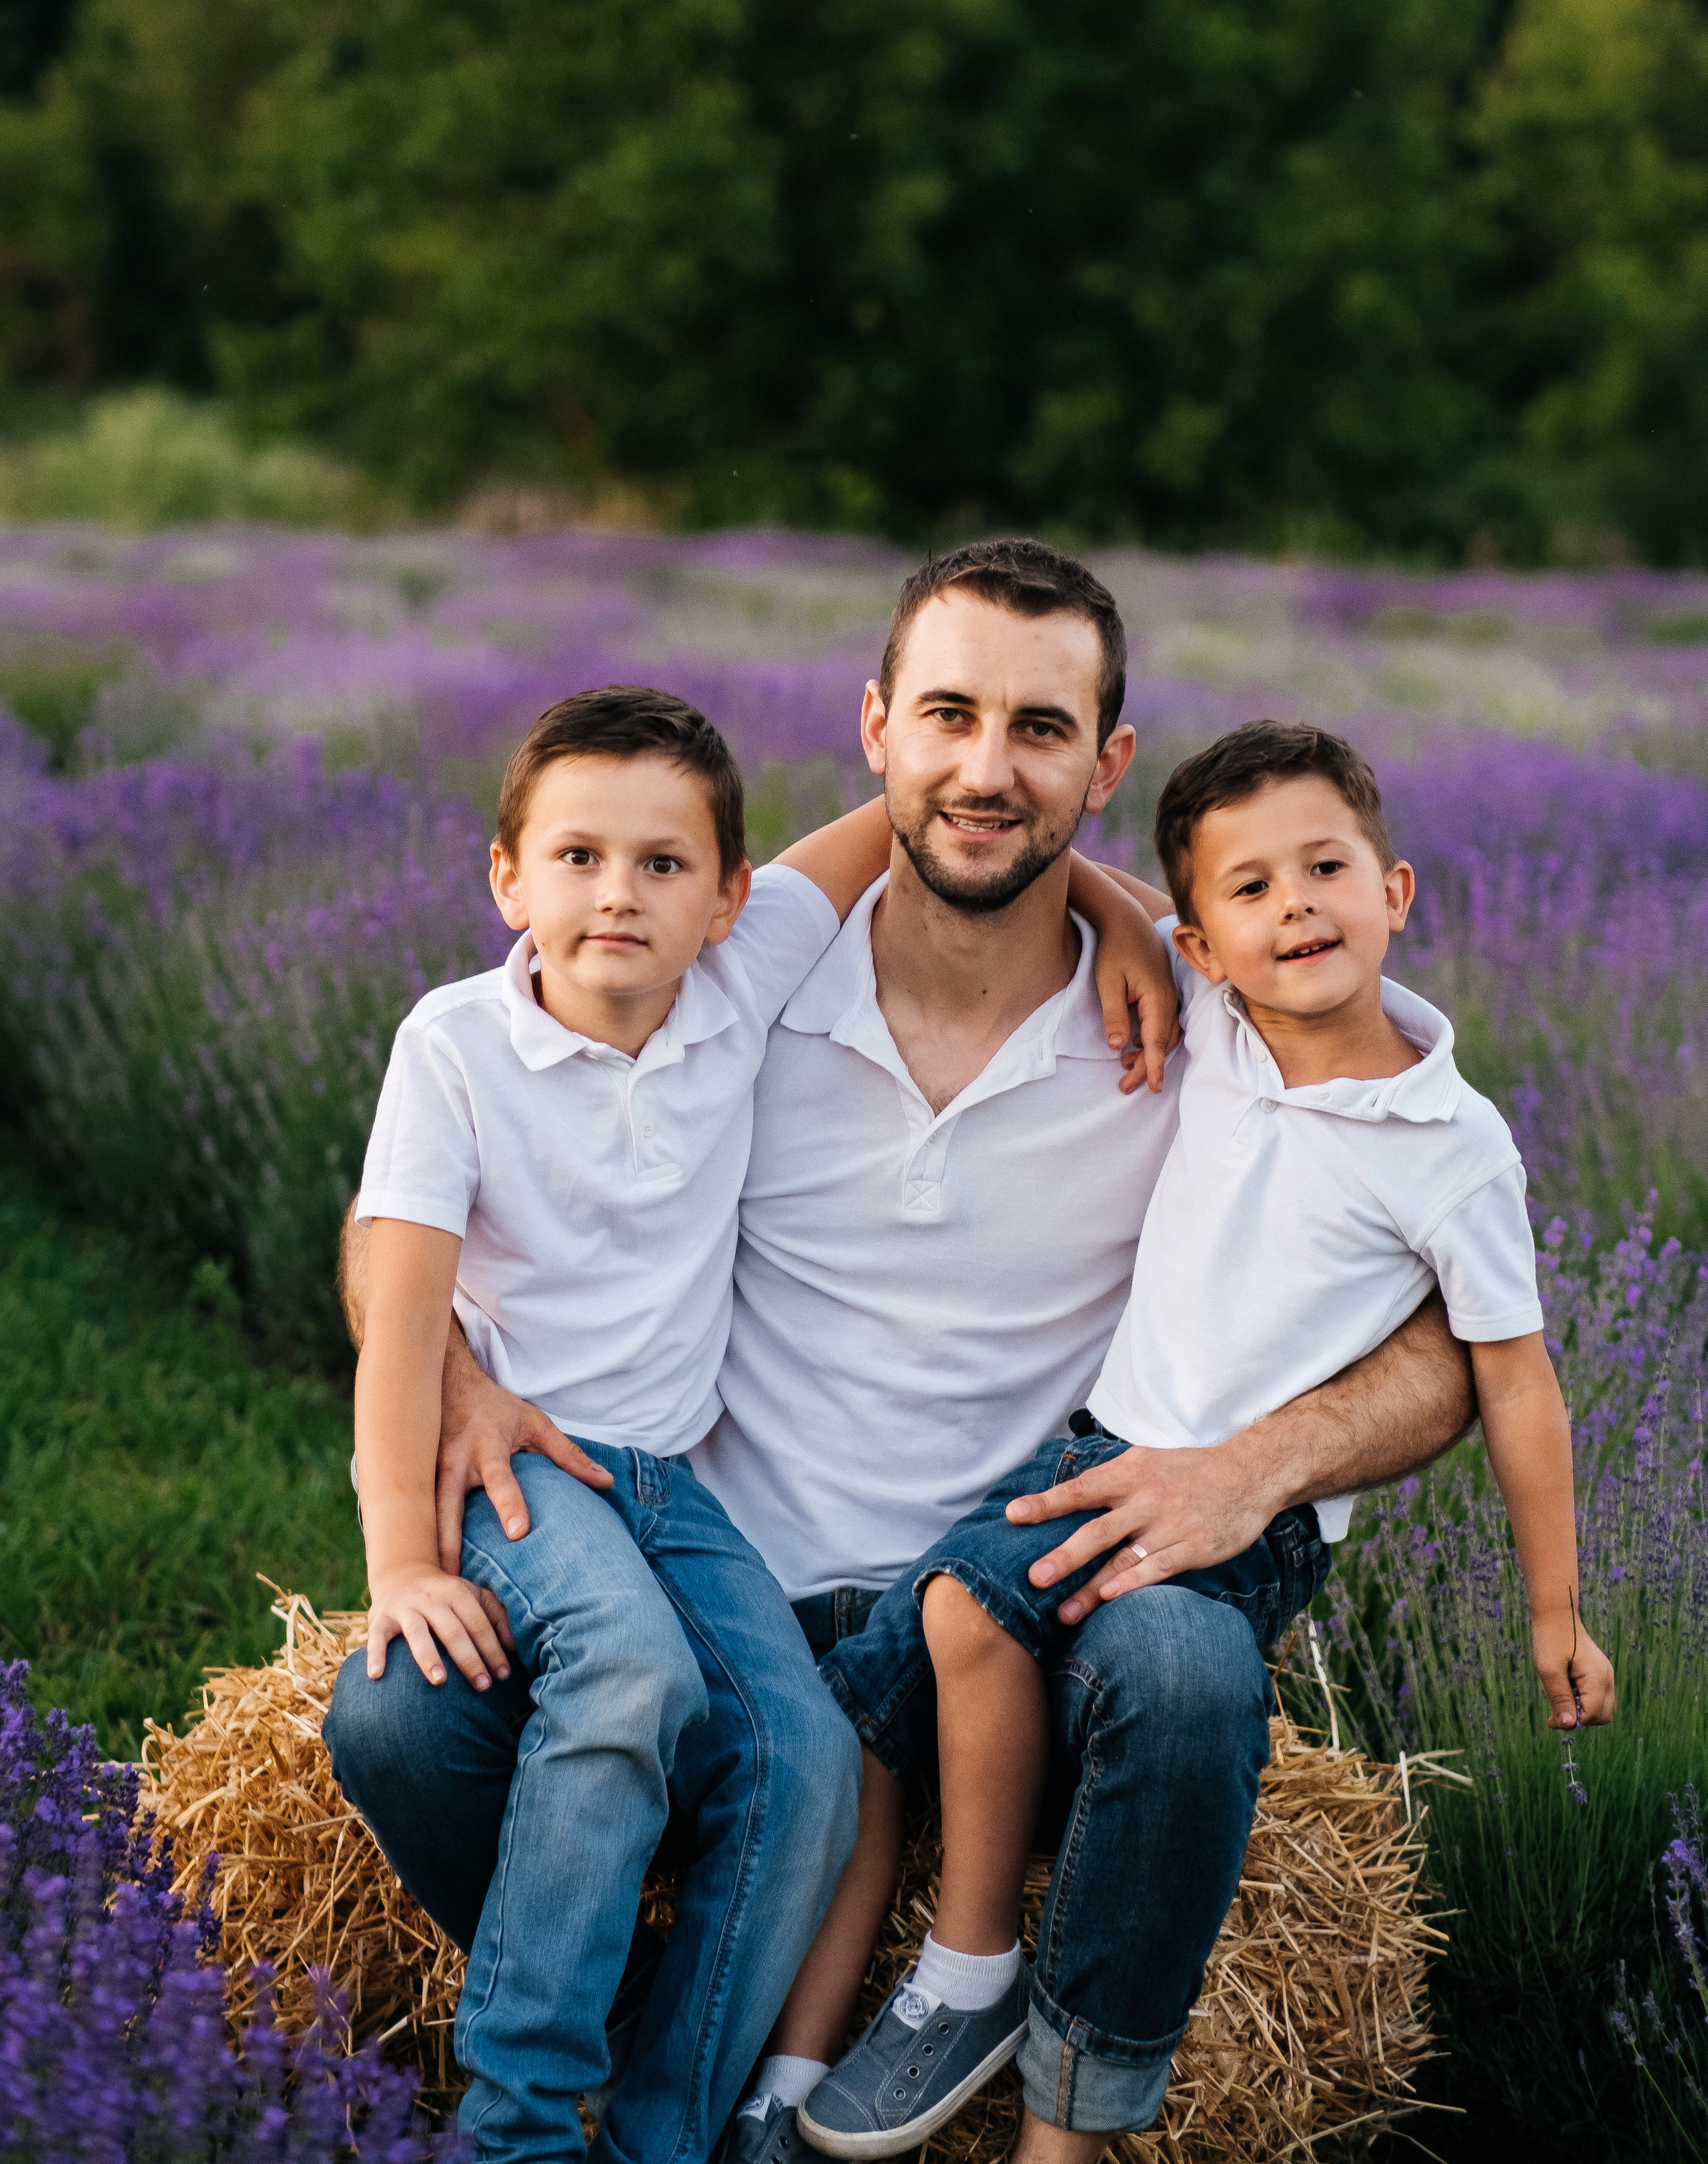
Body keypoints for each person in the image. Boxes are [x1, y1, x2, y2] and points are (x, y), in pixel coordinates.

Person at [335, 540, 1480, 2164]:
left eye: (1038, 729)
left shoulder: (1218, 1010)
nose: (985, 768)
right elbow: (407, 1221)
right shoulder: (730, 969)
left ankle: (1060, 2123)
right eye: (947, 714)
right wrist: (457, 1380)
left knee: (1185, 1663)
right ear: (875, 726)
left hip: (1026, 1607)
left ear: (1108, 764)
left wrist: (1252, 1470)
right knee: (394, 1720)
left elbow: (1458, 1340)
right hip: (734, 1582)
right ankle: (661, 2025)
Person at [327, 674, 1177, 2164]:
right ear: (504, 878)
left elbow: (929, 829)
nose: (618, 895)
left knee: (796, 1756)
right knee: (630, 1680)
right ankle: (519, 2121)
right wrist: (404, 1561)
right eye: (577, 858)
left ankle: (667, 2133)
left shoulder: (744, 968)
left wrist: (1106, 907)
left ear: (729, 897)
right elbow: (401, 1328)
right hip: (532, 1481)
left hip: (673, 1487)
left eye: (663, 867)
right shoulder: (452, 1048)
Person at [791, 718, 1616, 2159]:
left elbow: (1516, 1378)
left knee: (989, 1618)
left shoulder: (1450, 1141)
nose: (1292, 903)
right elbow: (1069, 872)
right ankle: (813, 2054)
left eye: (1324, 868)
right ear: (1204, 941)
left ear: (1395, 890)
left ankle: (975, 1977)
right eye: (1249, 889)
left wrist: (1554, 1608)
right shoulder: (1217, 1022)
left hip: (1254, 1530)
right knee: (894, 1675)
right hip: (1099, 1447)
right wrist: (1117, 908)